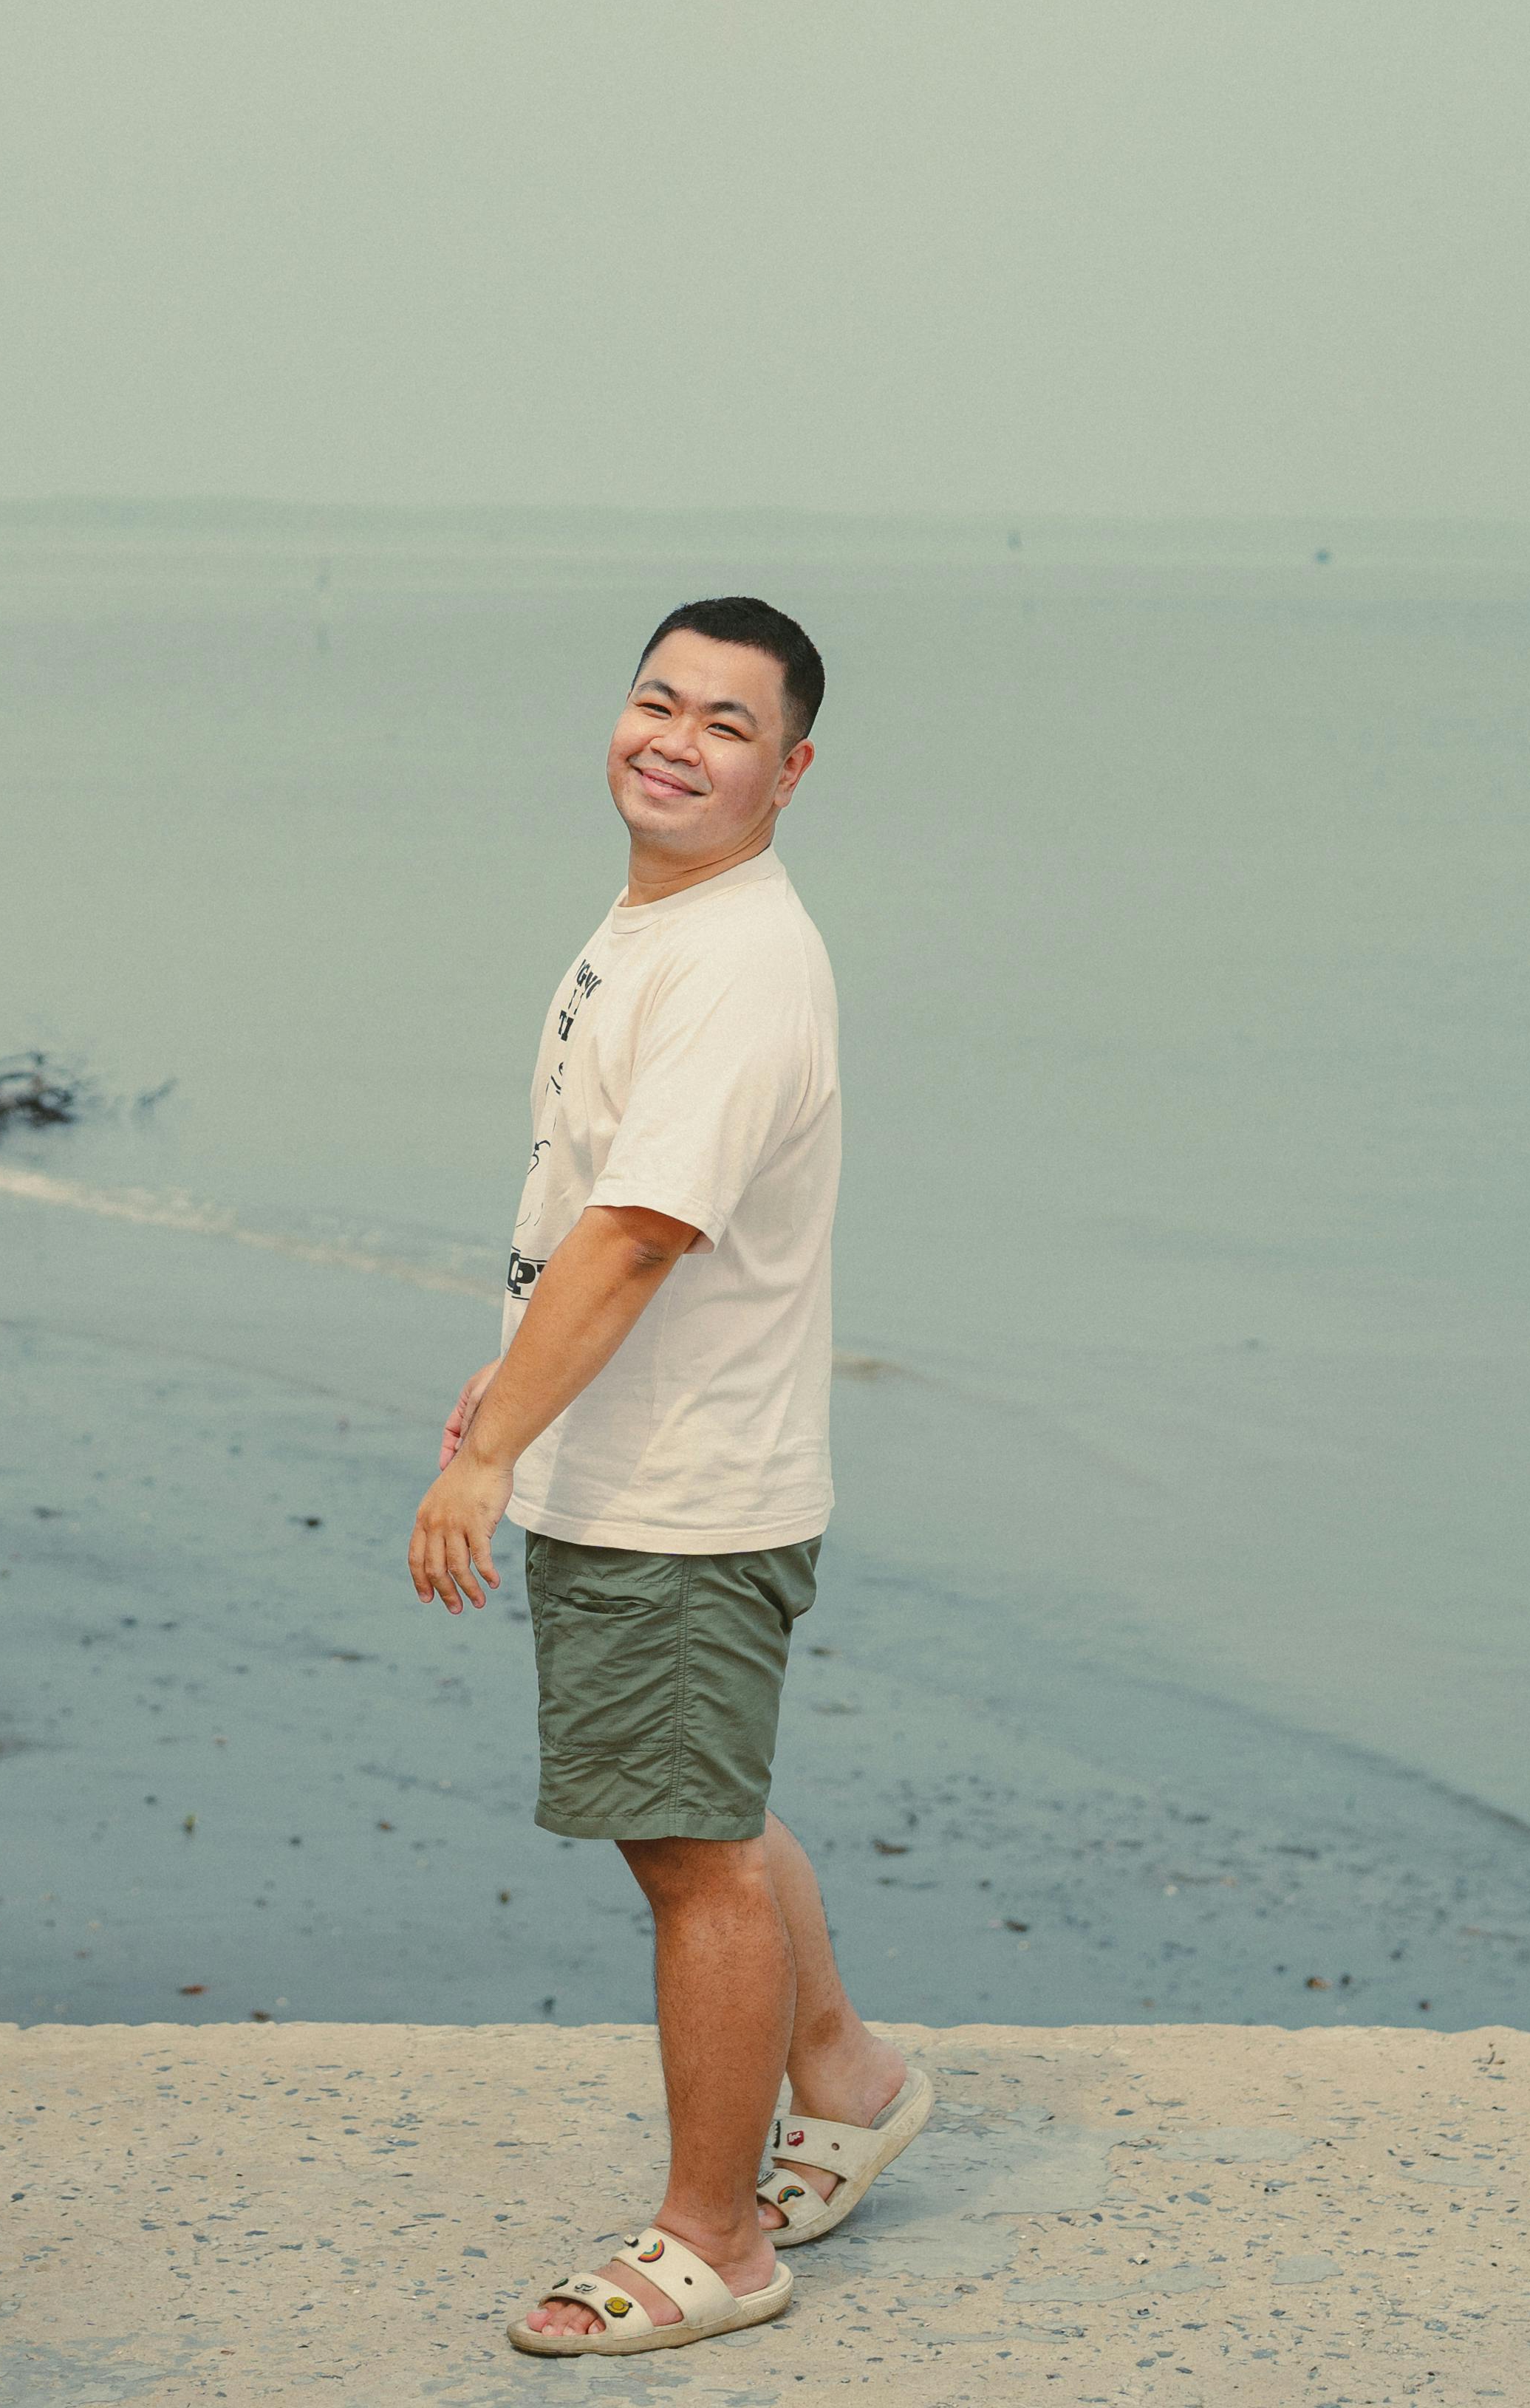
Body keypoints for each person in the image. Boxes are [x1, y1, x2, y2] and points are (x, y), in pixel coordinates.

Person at [407, 595, 930, 2359]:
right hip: (645, 1448)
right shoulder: (661, 918)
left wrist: (484, 1455)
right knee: (710, 1793)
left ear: (788, 772)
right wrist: (523, 1383)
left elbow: (638, 1236)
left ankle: (720, 2237)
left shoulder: (737, 963)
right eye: (656, 700)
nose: (675, 738)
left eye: (725, 722)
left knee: (689, 1845)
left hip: (687, 1488)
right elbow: (594, 1212)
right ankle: (847, 2073)